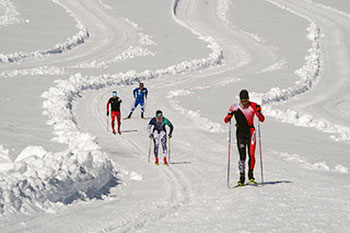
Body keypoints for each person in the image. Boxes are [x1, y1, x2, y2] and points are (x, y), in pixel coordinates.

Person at [224, 89, 265, 186]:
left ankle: (251, 176)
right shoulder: (235, 107)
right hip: (240, 133)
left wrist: (259, 113)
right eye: (243, 101)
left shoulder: (254, 106)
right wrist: (229, 116)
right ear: (240, 100)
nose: (245, 103)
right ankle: (241, 177)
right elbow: (226, 120)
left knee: (251, 154)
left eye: (246, 100)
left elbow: (262, 119)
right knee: (242, 156)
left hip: (251, 132)